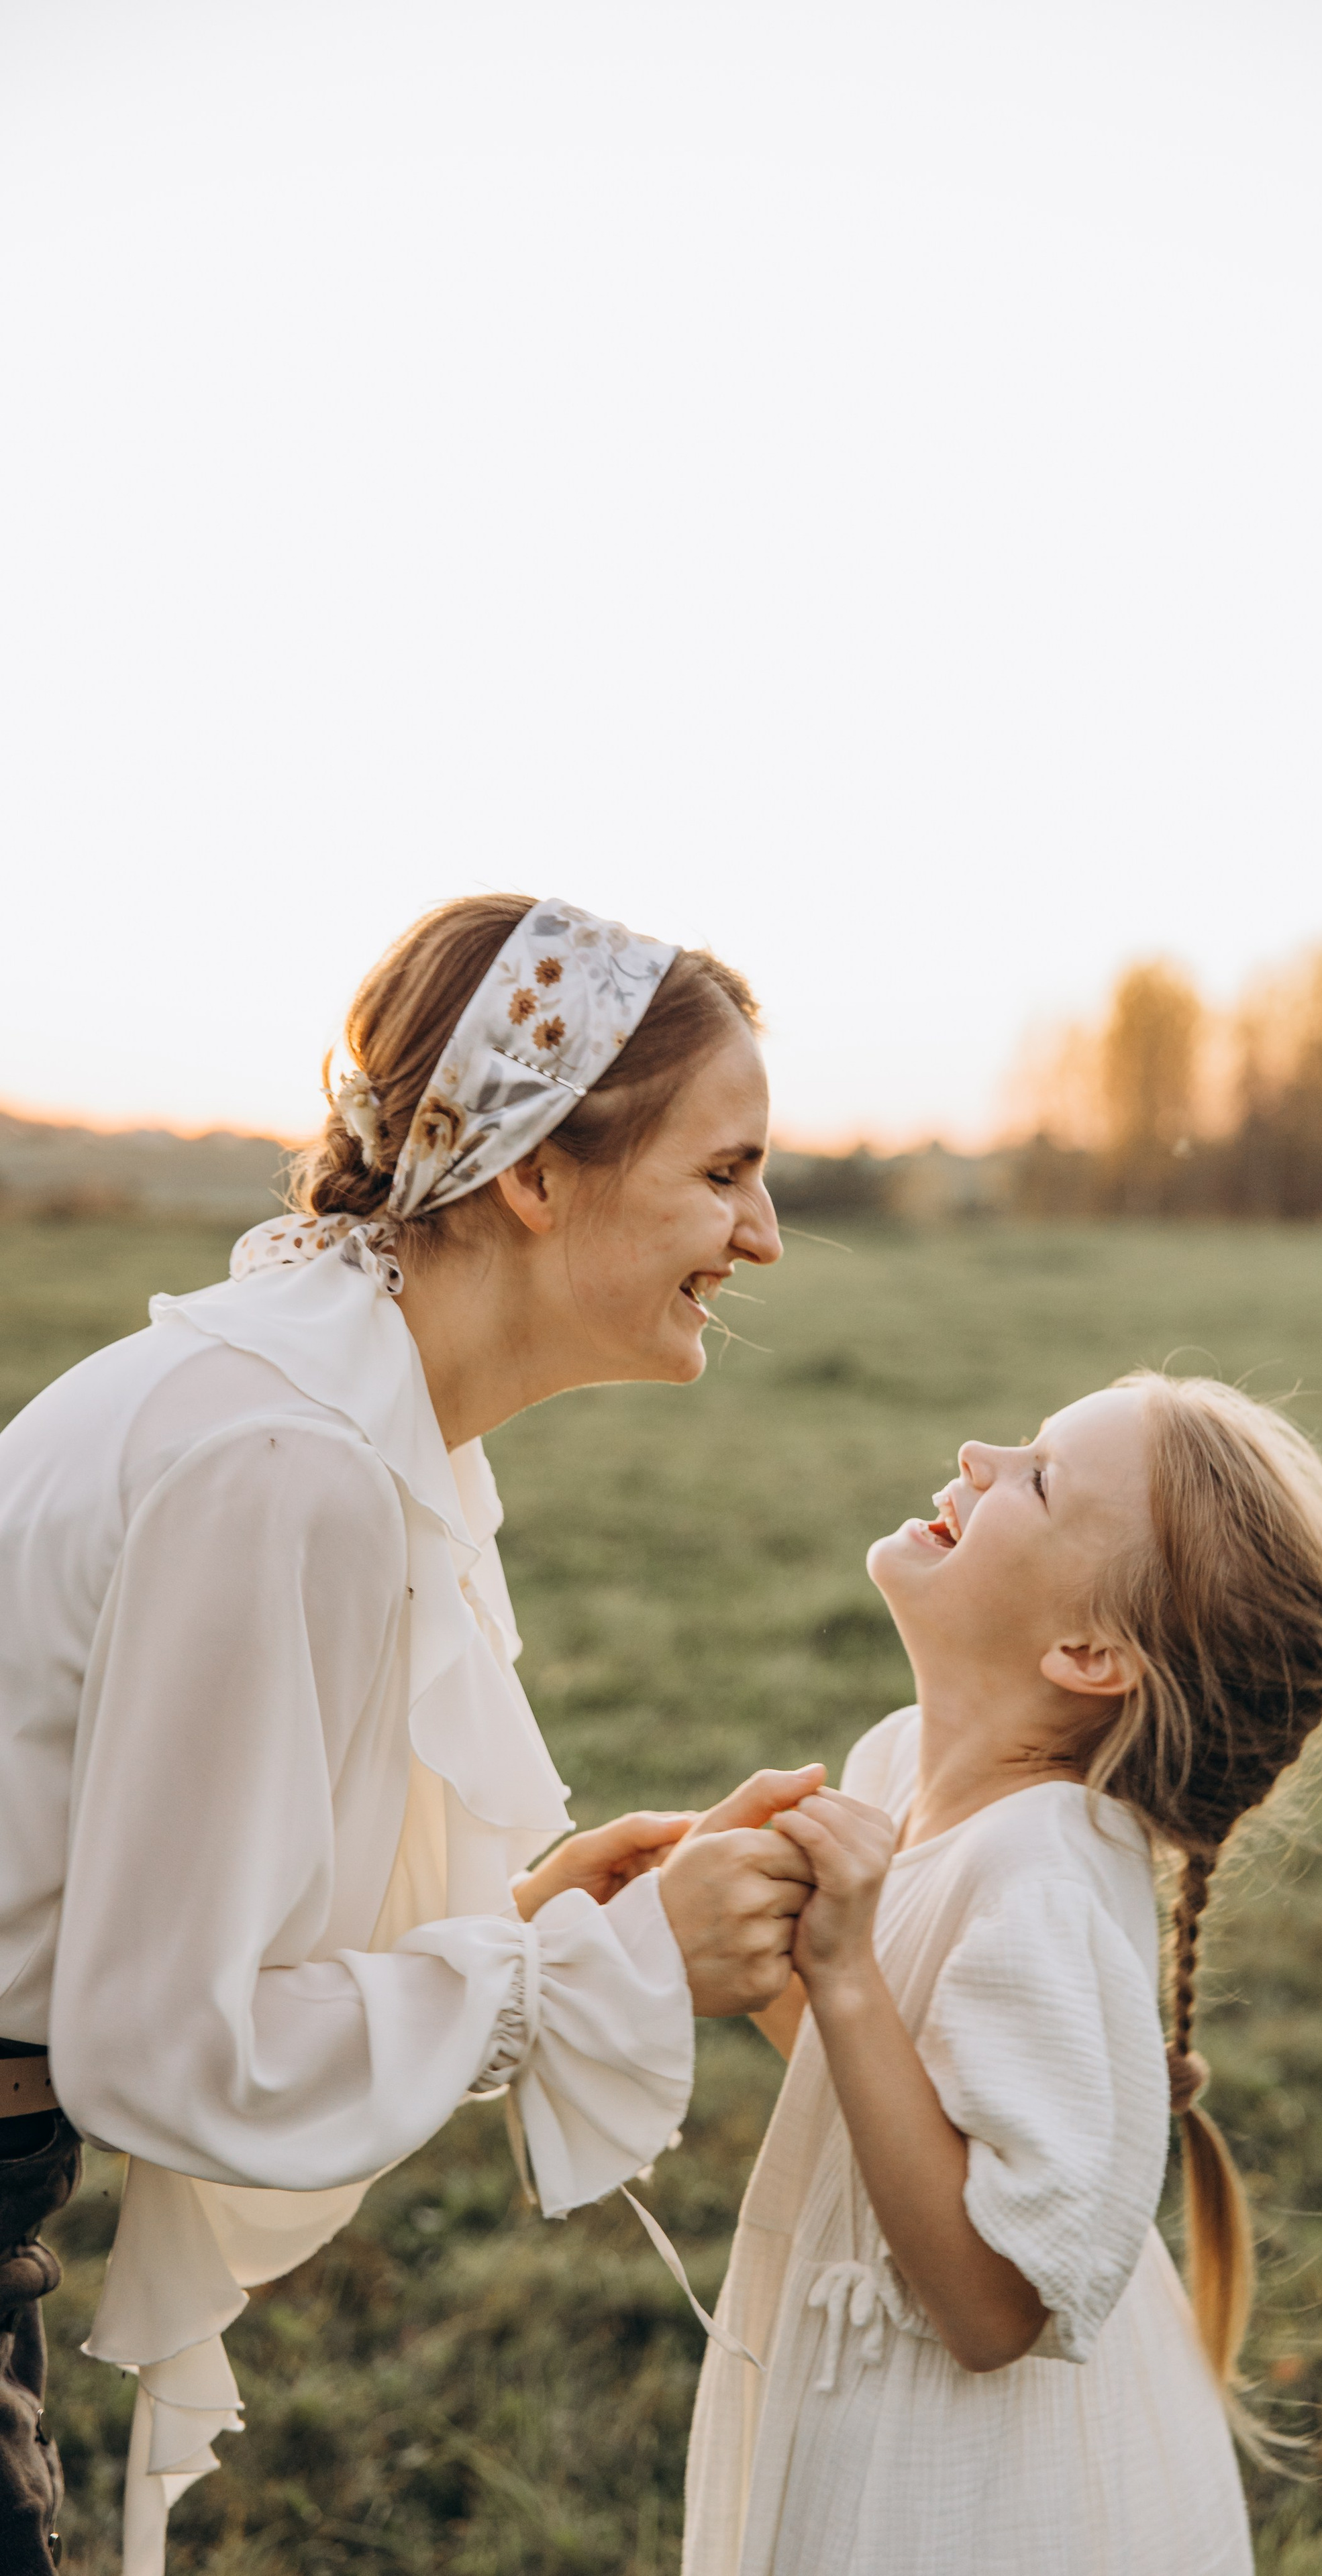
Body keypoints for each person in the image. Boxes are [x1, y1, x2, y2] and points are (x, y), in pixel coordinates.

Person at [0, 894, 821, 2576]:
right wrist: (585, 1979)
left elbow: (186, 1914)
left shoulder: (339, 1407)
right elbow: (160, 2047)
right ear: (533, 1172)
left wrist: (533, 1927)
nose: (763, 1237)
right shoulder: (284, 1461)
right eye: (724, 1171)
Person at [682, 1371, 1322, 2576]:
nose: (979, 1453)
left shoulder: (1044, 1872)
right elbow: (895, 2103)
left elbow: (994, 2312)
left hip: (964, 2479)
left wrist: (842, 1971)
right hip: (856, 2380)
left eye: (1039, 1476)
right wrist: (766, 1959)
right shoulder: (897, 1760)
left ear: (1089, 1651)